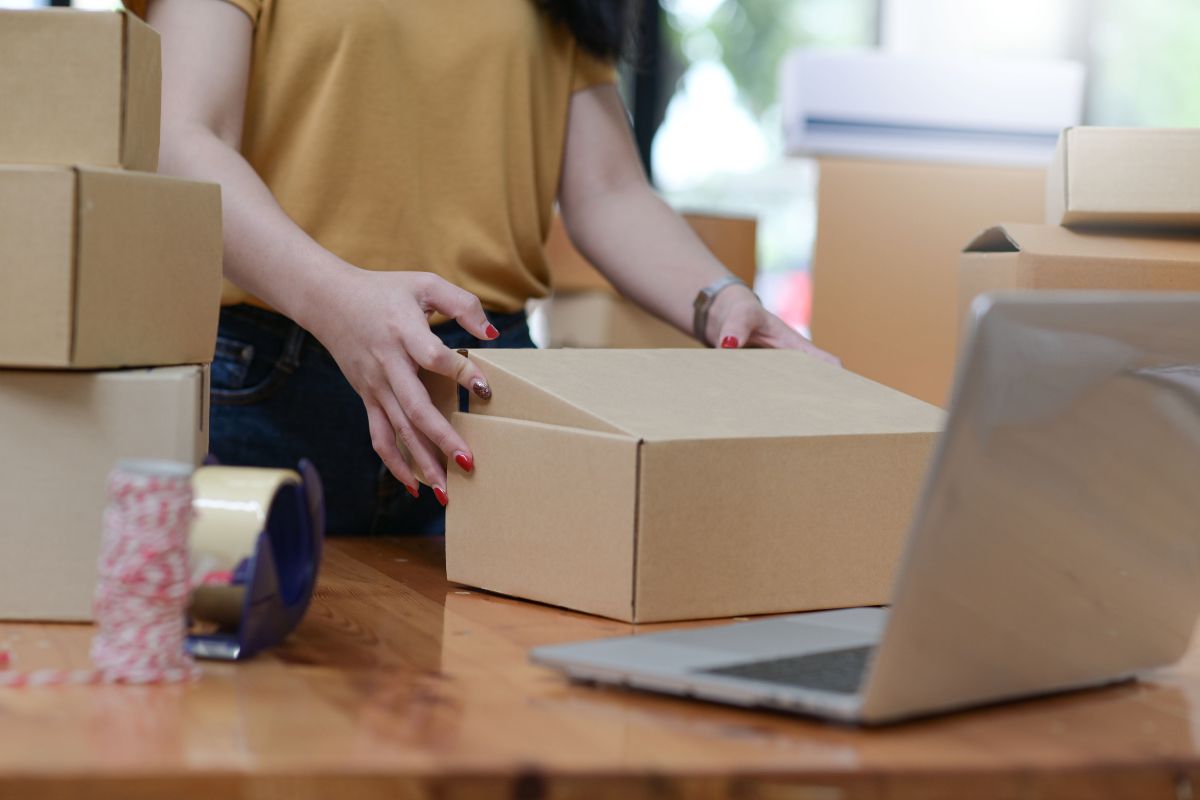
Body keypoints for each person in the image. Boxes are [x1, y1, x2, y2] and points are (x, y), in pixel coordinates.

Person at [134, 0, 839, 535]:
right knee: (250, 714)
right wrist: (333, 298)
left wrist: (720, 301)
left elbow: (607, 190)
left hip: (489, 394)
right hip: (273, 386)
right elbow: (176, 136)